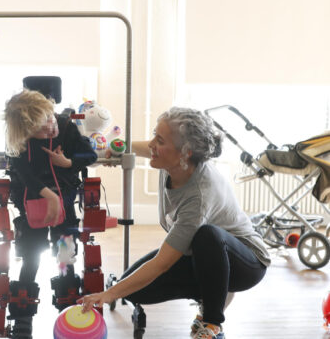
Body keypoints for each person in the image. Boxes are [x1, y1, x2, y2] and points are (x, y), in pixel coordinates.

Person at [79, 107, 271, 339]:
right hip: (202, 255)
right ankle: (214, 290)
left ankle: (211, 323)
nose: (151, 145)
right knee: (136, 290)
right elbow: (141, 147)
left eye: (159, 140)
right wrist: (113, 148)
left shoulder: (199, 192)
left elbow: (161, 264)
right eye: (154, 136)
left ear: (185, 153)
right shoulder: (172, 162)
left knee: (207, 235)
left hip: (246, 262)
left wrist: (108, 294)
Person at [3, 90, 97, 339]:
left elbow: (91, 154)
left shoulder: (65, 126)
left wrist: (67, 163)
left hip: (65, 203)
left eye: (50, 123)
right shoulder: (18, 139)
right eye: (41, 132)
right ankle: (23, 318)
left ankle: (68, 310)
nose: (49, 131)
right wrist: (49, 195)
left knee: (65, 256)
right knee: (31, 255)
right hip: (32, 202)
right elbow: (24, 173)